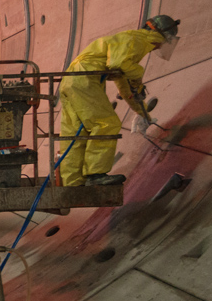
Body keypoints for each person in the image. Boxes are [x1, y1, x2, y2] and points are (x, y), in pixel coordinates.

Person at [59, 14, 180, 186]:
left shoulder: (129, 40)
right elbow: (118, 65)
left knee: (76, 133)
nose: (161, 46)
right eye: (165, 41)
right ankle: (96, 174)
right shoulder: (137, 41)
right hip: (85, 79)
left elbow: (124, 85)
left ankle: (72, 183)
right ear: (161, 35)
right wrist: (138, 76)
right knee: (106, 123)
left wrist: (142, 112)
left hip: (71, 81)